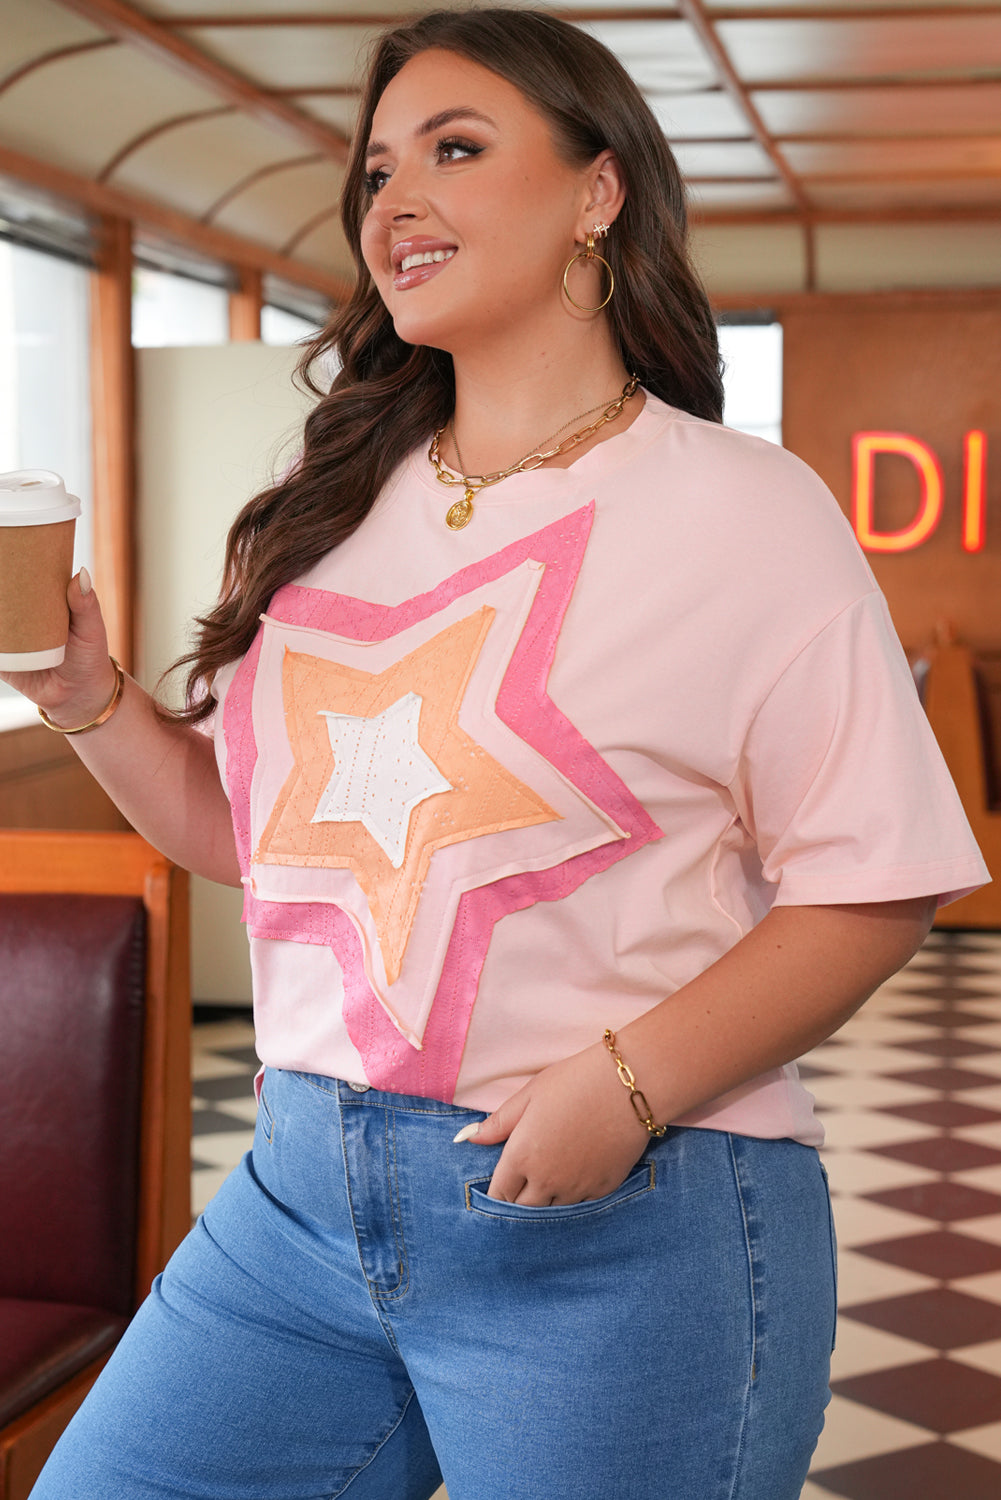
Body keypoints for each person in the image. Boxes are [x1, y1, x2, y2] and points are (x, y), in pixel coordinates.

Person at [9, 9, 987, 1499]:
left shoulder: (747, 512)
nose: (392, 202)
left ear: (597, 192)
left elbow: (874, 884)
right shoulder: (325, 489)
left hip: (623, 1218)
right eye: (376, 168)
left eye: (454, 152)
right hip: (295, 1201)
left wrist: (628, 1086)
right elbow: (246, 835)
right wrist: (88, 695)